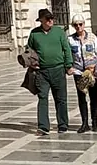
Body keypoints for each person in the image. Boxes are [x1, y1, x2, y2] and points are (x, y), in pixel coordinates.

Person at [26, 8, 74, 136]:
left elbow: (66, 49)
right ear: (41, 20)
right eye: (47, 19)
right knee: (43, 98)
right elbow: (28, 50)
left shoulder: (59, 32)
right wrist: (31, 63)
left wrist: (69, 65)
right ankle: (43, 126)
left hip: (58, 69)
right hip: (42, 72)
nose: (50, 21)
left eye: (51, 18)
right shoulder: (34, 34)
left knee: (61, 99)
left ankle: (63, 125)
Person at [69, 17, 97, 133]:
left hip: (92, 71)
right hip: (78, 72)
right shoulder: (70, 39)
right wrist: (69, 67)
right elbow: (67, 55)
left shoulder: (92, 37)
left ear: (84, 24)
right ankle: (84, 123)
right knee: (81, 97)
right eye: (76, 25)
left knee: (94, 97)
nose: (78, 27)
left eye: (80, 24)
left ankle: (95, 123)